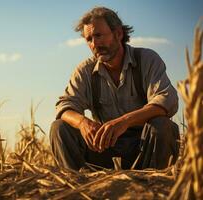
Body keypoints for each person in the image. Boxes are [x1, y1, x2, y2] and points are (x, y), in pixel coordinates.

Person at [50, 6, 180, 171]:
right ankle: (78, 187)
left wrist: (124, 122)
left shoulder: (147, 59)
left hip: (143, 145)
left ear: (118, 34)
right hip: (104, 147)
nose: (94, 43)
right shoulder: (85, 71)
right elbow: (64, 107)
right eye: (89, 39)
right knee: (59, 128)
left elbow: (167, 100)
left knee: (163, 125)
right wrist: (83, 123)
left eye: (98, 35)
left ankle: (154, 185)